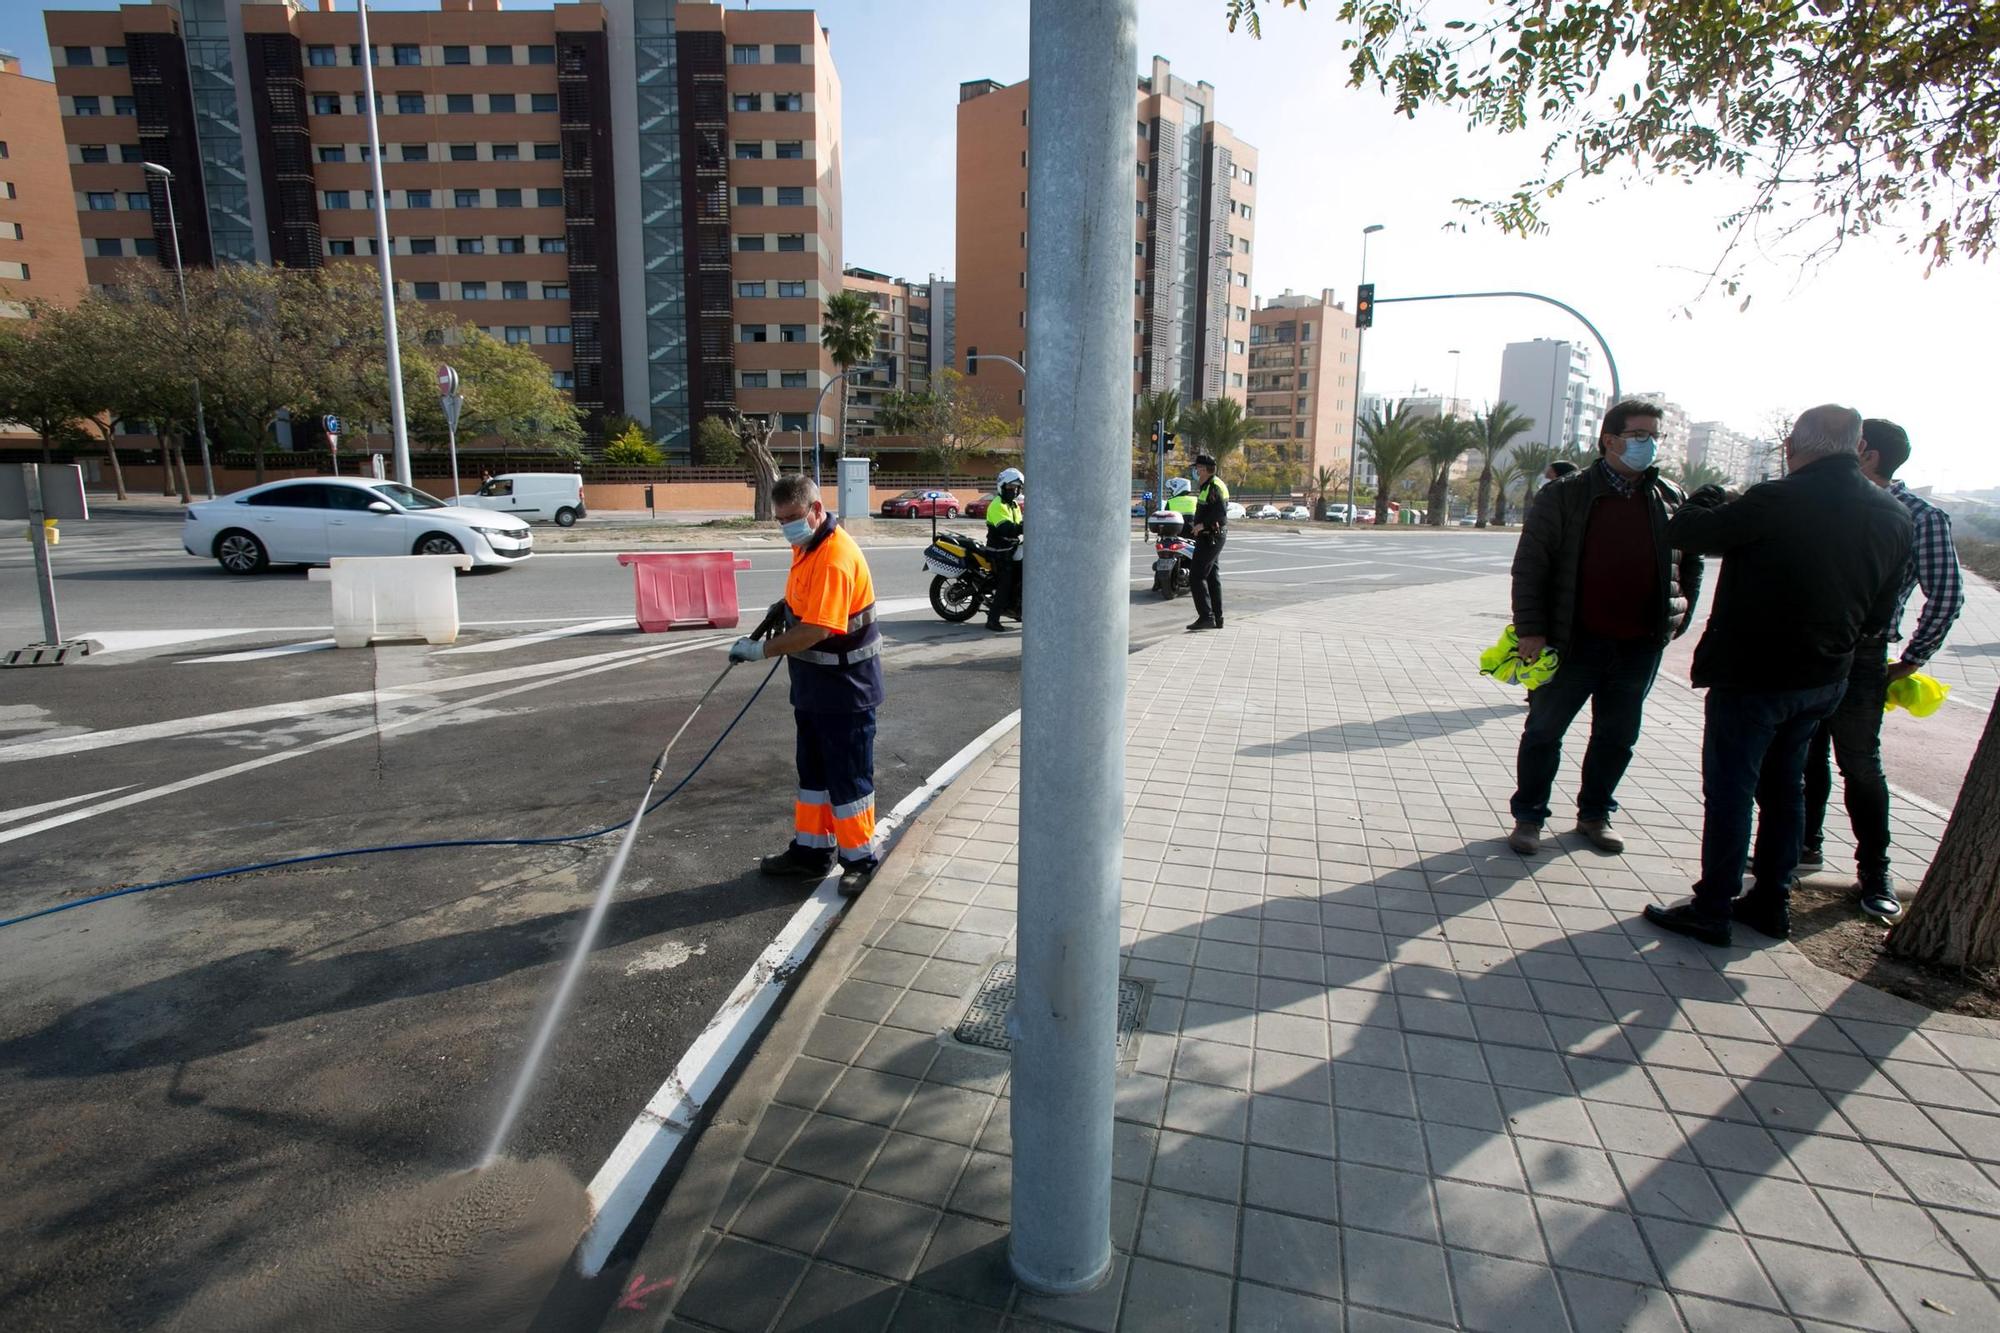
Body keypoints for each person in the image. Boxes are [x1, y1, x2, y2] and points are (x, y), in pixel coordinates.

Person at [1644, 405, 1913, 947]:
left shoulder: (1775, 500)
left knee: (1731, 791)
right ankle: (1771, 900)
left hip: (1753, 676)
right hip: (1824, 679)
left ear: (1795, 445)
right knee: (1786, 790)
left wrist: (1706, 498)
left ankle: (1713, 906)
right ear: (1856, 448)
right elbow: (1881, 617)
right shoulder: (1893, 515)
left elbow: (1686, 532)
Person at [1784, 418, 1964, 921]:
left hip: (1863, 657)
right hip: (1810, 650)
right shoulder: (1827, 502)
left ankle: (1874, 872)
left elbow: (1946, 595)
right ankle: (1802, 847)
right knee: (1805, 755)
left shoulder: (1919, 516)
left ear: (1866, 452)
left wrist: (1911, 660)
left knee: (1859, 764)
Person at [1506, 401, 1704, 857]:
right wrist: (1531, 631)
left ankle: (1595, 814)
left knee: (1616, 737)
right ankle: (1529, 816)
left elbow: (1688, 565)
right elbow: (1531, 567)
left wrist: (1678, 618)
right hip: (1572, 641)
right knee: (1543, 732)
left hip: (1639, 646)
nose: (1649, 444)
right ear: (1610, 440)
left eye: (1656, 435)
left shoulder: (1670, 497)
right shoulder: (1564, 495)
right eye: (1639, 435)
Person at [730, 475, 885, 896]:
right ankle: (812, 852)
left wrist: (761, 650)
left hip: (846, 688)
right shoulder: (808, 545)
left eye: (793, 519)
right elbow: (807, 605)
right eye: (780, 521)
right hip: (816, 686)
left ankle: (861, 860)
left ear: (817, 509)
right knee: (813, 775)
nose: (787, 529)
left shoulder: (834, 557)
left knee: (848, 778)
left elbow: (818, 629)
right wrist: (787, 606)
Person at [1186, 452, 1231, 631]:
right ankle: (1217, 618)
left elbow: (1220, 513)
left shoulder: (1213, 486)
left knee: (1196, 576)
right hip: (1212, 536)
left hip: (1211, 536)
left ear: (1204, 469)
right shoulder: (1211, 485)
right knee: (1212, 577)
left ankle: (1206, 616)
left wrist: (1201, 526)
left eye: (1197, 468)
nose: (1195, 471)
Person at [984, 467, 1025, 632]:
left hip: (1010, 548)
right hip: (998, 551)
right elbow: (1007, 528)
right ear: (1002, 486)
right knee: (1006, 583)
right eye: (1010, 487)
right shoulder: (997, 505)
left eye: (1016, 488)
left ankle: (1016, 607)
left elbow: (1020, 524)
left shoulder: (1014, 505)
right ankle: (992, 620)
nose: (1013, 491)